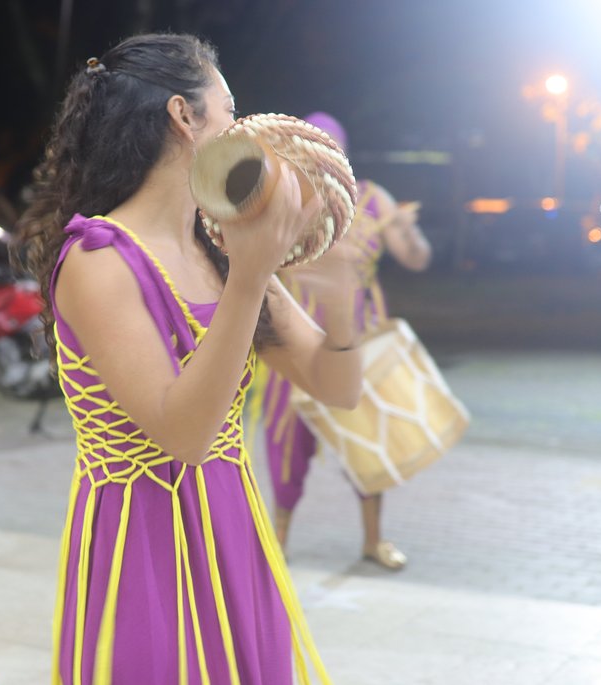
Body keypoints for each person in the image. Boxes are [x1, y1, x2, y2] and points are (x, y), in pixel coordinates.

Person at [20, 34, 364, 684]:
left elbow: (337, 387)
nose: (241, 126)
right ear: (183, 115)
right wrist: (252, 274)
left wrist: (341, 301)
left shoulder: (220, 246)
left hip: (233, 524)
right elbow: (183, 435)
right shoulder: (98, 259)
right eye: (229, 110)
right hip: (140, 540)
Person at [260, 111, 432, 569]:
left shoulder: (373, 199)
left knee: (367, 441)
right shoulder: (282, 199)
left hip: (360, 344)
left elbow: (415, 259)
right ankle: (277, 542)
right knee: (284, 444)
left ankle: (373, 540)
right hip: (293, 345)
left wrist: (408, 232)